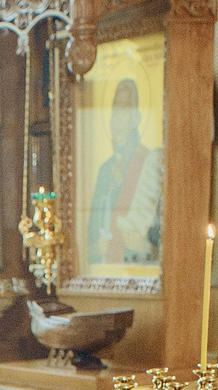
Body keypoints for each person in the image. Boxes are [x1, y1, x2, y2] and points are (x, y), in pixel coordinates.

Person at [86, 78, 163, 266]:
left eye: (124, 113)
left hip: (140, 270)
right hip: (106, 271)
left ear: (136, 119)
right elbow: (90, 239)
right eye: (114, 114)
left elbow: (164, 234)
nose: (117, 122)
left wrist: (146, 246)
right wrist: (98, 248)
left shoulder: (150, 164)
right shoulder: (105, 171)